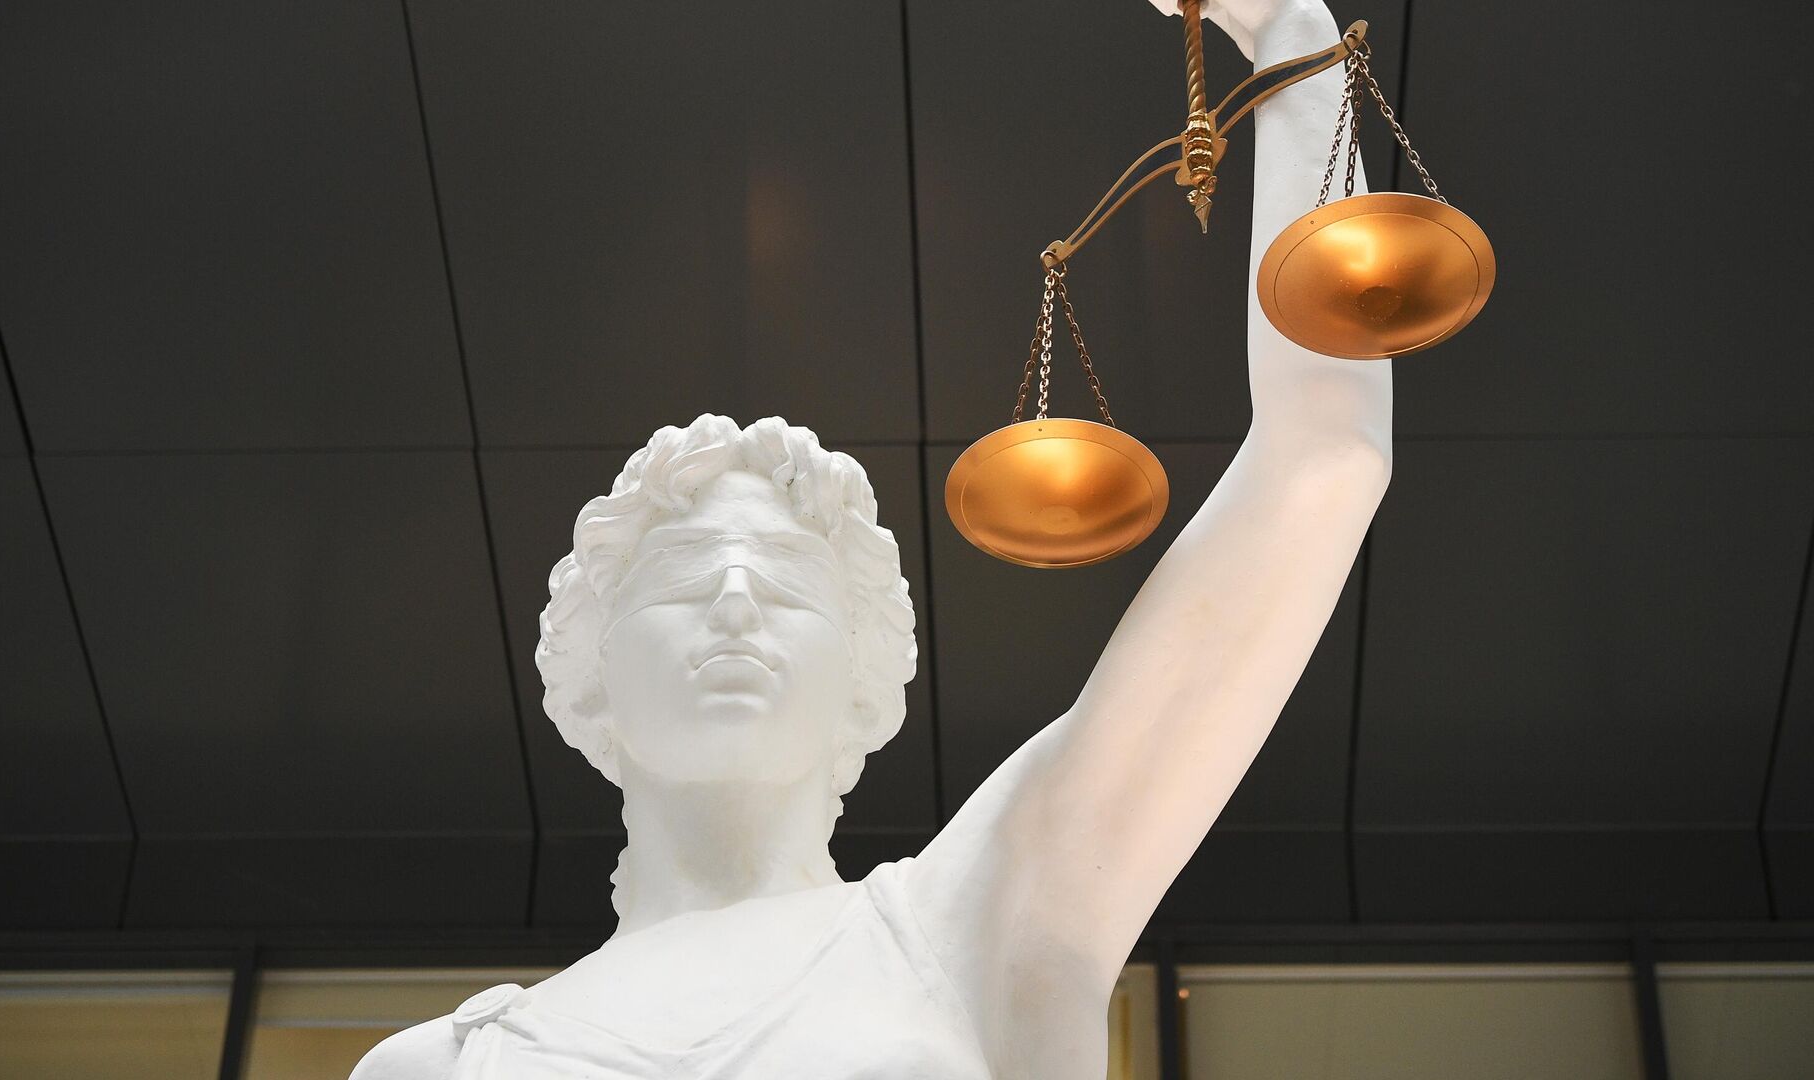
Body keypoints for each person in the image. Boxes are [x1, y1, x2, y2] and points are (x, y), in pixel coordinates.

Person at [353, 0, 1390, 1075]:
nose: (736, 599)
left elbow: (1321, 463)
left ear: (863, 684)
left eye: (789, 583)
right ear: (588, 676)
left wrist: (1290, 37)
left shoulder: (974, 924)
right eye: (683, 575)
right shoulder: (437, 1064)